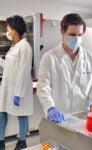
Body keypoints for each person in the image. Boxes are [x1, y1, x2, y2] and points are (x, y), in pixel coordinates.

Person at [37, 13, 92, 123]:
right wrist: (50, 108)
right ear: (62, 32)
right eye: (72, 34)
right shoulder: (49, 58)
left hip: (84, 118)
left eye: (80, 35)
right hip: (59, 118)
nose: (76, 39)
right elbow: (43, 87)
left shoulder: (90, 58)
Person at [0, 15, 33, 150]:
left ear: (14, 30)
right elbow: (8, 66)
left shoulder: (25, 47)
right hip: (7, 87)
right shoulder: (15, 46)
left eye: (8, 28)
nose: (6, 31)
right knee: (1, 113)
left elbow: (24, 72)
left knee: (22, 114)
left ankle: (22, 141)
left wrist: (18, 94)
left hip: (18, 89)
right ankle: (1, 140)